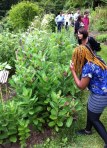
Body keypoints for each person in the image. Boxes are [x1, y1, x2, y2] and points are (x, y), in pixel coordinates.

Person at [70, 45, 107, 148]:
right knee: (90, 108)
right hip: (103, 89)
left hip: (100, 95)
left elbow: (81, 86)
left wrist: (73, 71)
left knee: (94, 119)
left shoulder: (88, 67)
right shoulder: (97, 58)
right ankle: (87, 130)